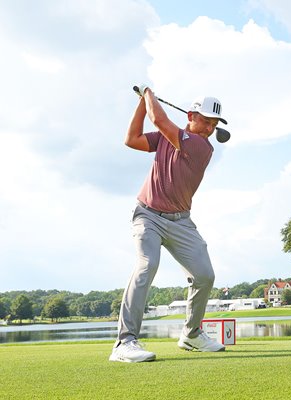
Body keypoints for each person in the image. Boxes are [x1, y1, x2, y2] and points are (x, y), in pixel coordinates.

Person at [109, 84, 227, 363]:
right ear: (191, 115)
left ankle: (192, 334)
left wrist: (148, 93)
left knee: (205, 275)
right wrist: (142, 103)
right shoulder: (168, 138)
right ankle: (124, 343)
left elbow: (160, 120)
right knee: (146, 265)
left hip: (181, 222)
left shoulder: (201, 147)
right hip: (147, 215)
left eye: (214, 125)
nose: (210, 129)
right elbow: (132, 139)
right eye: (206, 121)